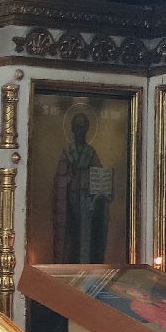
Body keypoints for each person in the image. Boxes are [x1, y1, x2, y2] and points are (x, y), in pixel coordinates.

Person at [51, 112, 109, 263]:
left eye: (82, 127)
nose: (80, 130)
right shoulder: (67, 152)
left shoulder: (91, 153)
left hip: (86, 207)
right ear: (72, 129)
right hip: (69, 205)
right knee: (70, 240)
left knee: (85, 240)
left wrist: (90, 184)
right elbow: (59, 180)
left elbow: (100, 179)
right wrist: (69, 180)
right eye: (77, 127)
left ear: (87, 129)